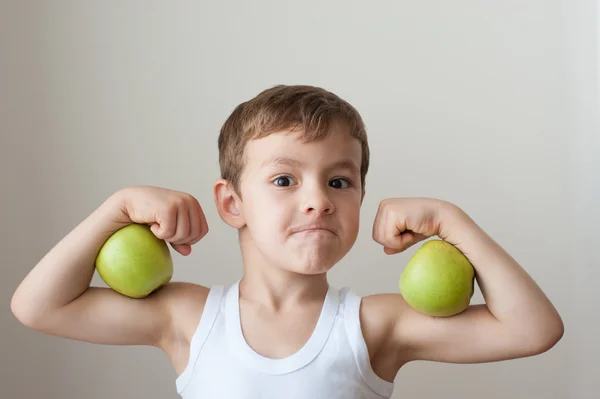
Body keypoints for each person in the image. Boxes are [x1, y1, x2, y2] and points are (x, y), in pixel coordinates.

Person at [10, 85, 564, 398]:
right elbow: (37, 306)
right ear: (232, 203)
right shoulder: (189, 318)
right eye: (284, 180)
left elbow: (534, 329)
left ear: (361, 199)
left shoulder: (374, 326)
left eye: (339, 181)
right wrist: (117, 207)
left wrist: (452, 221)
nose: (318, 199)